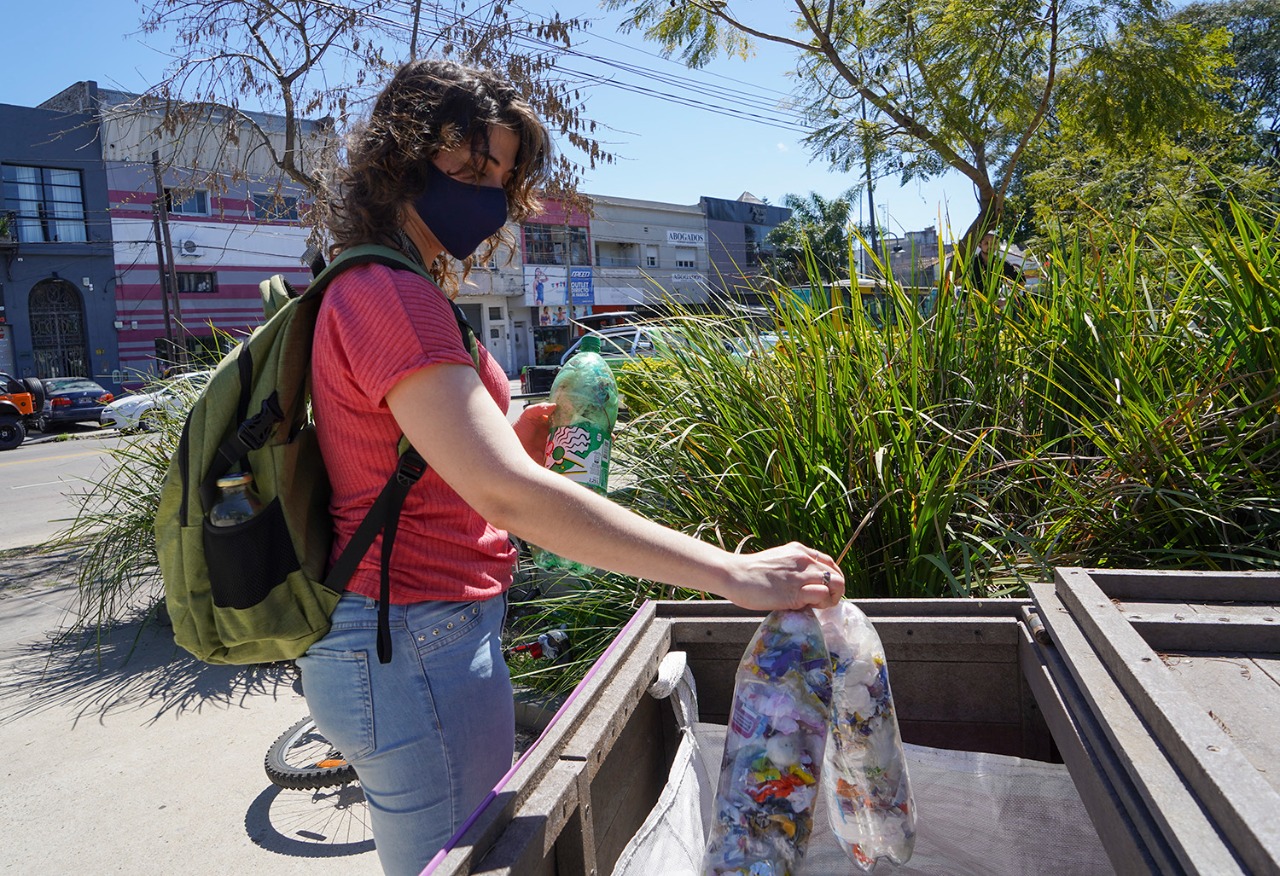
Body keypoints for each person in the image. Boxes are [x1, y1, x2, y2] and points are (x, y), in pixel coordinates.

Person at [300, 59, 846, 876]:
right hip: (413, 639)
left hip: (406, 634)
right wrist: (729, 573)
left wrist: (506, 448)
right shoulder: (394, 293)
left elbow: (424, 467)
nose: (490, 195)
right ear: (403, 154)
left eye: (502, 177)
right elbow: (506, 495)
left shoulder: (383, 280)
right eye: (472, 167)